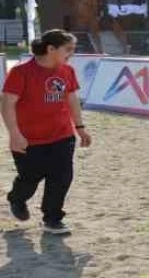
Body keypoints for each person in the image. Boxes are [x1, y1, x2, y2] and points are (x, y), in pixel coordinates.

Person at [2, 29, 92, 235]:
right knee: (30, 179)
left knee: (62, 176)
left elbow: (71, 99)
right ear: (51, 48)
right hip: (28, 140)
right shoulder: (21, 72)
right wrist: (15, 134)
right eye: (67, 49)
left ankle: (52, 218)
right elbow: (7, 104)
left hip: (62, 136)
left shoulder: (67, 71)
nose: (71, 54)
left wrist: (80, 128)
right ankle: (17, 198)